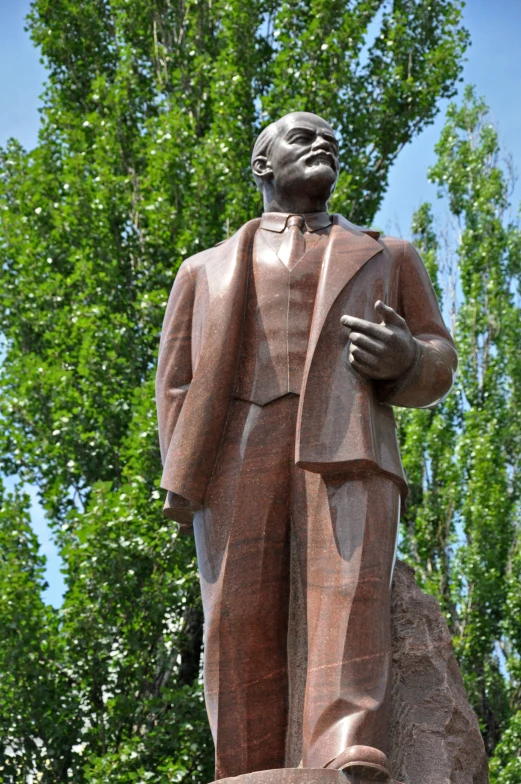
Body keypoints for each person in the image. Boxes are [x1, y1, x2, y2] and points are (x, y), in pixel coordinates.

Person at [155, 112, 457, 781]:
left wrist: (405, 356)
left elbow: (439, 355)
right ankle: (244, 762)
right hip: (238, 443)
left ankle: (346, 749)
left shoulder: (387, 255)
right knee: (236, 611)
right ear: (261, 165)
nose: (322, 144)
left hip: (347, 437)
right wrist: (181, 471)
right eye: (301, 137)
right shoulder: (202, 270)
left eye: (331, 139)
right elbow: (174, 379)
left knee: (348, 595)